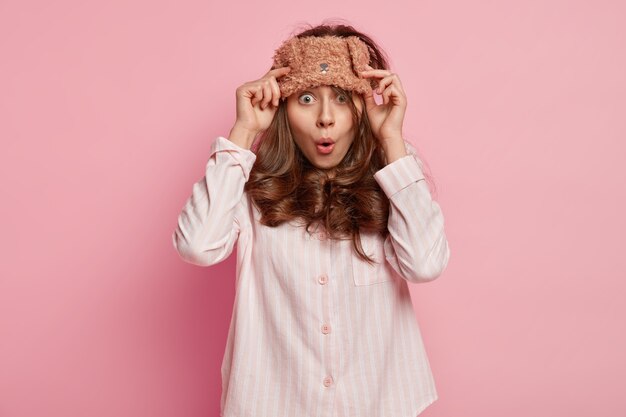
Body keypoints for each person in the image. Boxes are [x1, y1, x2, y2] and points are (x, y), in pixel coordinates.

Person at [172, 22, 451, 417]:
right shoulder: (248, 184)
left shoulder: (395, 174)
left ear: (364, 104)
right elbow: (197, 246)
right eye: (306, 98)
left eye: (341, 97)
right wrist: (243, 131)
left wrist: (391, 141)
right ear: (283, 107)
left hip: (378, 404)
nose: (325, 117)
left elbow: (424, 264)